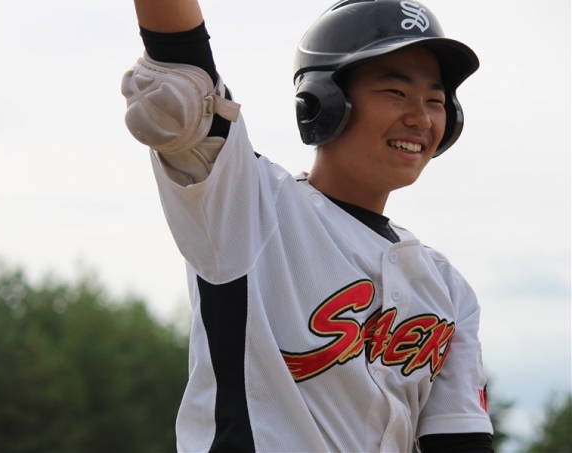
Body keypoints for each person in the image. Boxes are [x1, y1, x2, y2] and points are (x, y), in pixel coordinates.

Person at [121, 0, 494, 451]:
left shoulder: (449, 289)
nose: (420, 118)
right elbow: (181, 84)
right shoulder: (250, 206)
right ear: (324, 101)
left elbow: (460, 441)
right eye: (395, 92)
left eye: (435, 101)